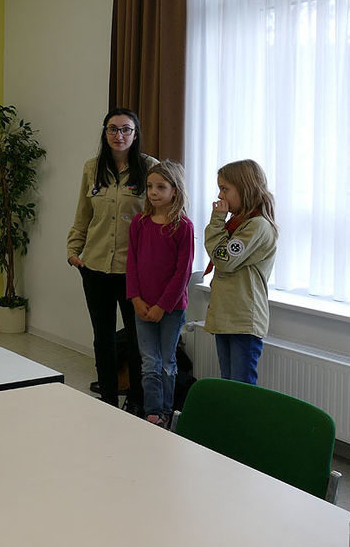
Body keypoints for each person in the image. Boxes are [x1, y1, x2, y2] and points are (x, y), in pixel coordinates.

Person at [67, 108, 157, 415]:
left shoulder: (150, 169)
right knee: (102, 337)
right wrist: (73, 250)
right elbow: (83, 214)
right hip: (94, 266)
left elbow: (160, 218)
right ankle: (107, 398)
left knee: (136, 338)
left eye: (125, 130)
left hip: (133, 271)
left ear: (135, 134)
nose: (119, 135)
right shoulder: (92, 168)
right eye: (112, 129)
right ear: (105, 133)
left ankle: (135, 400)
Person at [126, 160, 194, 427]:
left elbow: (182, 273)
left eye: (160, 187)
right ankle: (152, 411)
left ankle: (166, 411)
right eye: (150, 186)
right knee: (148, 361)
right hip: (142, 305)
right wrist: (136, 299)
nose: (153, 192)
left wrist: (162, 306)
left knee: (167, 361)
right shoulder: (139, 223)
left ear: (174, 190)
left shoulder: (183, 226)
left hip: (171, 310)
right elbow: (131, 263)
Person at [204, 159, 278, 385]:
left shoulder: (257, 226)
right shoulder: (239, 223)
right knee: (228, 385)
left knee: (241, 388)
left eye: (225, 189)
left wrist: (217, 220)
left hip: (243, 319)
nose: (220, 196)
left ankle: (243, 423)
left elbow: (223, 260)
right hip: (228, 316)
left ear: (245, 188)